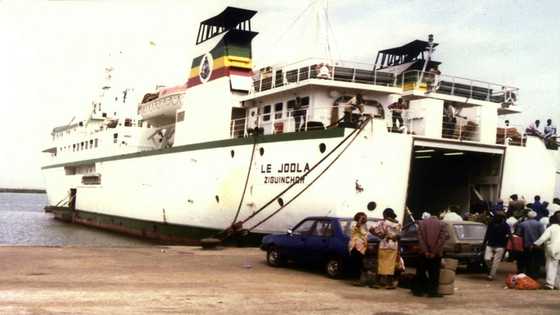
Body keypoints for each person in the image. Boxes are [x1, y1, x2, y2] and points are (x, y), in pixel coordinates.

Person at [412, 209, 449, 297]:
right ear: (439, 215)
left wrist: (425, 251)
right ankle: (432, 292)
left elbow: (420, 239)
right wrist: (433, 252)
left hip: (422, 253)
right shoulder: (442, 224)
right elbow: (442, 240)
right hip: (436, 254)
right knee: (434, 273)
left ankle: (418, 291)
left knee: (420, 272)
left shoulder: (421, 223)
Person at [369, 208, 402, 289]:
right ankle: (389, 283)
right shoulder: (398, 224)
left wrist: (378, 235)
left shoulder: (382, 223)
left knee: (381, 263)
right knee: (390, 265)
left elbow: (371, 229)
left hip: (383, 244)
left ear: (385, 215)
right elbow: (399, 236)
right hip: (393, 245)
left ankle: (377, 282)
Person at [533, 214, 560, 289]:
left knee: (551, 266)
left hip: (553, 250)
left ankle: (549, 284)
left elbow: (542, 238)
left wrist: (535, 244)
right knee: (558, 268)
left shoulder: (551, 228)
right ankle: (557, 284)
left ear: (551, 221)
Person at [483, 212, 511, 280]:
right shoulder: (491, 224)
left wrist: (507, 246)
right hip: (490, 244)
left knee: (496, 262)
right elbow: (487, 233)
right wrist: (484, 242)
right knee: (486, 259)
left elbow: (509, 235)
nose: (497, 218)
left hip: (500, 246)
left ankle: (491, 276)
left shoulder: (506, 225)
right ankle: (491, 269)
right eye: (497, 216)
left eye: (499, 217)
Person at [517, 210, 545, 278]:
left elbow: (519, 234)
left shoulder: (523, 224)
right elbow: (542, 235)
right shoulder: (539, 224)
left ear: (527, 216)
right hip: (537, 246)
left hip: (526, 245)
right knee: (536, 261)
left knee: (526, 260)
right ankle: (535, 275)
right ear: (536, 216)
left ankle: (527, 274)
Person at [348, 212, 369, 285]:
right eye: (362, 217)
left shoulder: (365, 226)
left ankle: (361, 280)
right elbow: (357, 227)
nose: (364, 219)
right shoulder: (354, 224)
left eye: (364, 217)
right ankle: (357, 280)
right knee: (357, 262)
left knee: (360, 263)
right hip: (355, 246)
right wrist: (360, 221)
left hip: (362, 247)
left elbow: (365, 235)